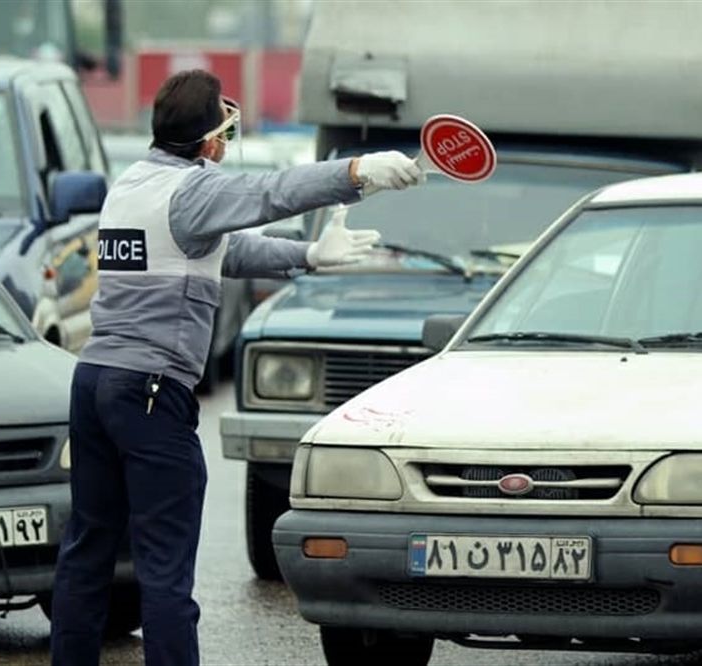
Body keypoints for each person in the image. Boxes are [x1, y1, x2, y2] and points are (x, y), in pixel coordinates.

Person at [50, 69, 423, 666]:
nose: (227, 142)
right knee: (165, 570)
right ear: (206, 140)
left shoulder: (134, 184)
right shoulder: (194, 191)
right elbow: (272, 191)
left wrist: (307, 256)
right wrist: (356, 173)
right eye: (222, 131)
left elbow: (225, 249)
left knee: (87, 552)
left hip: (93, 384)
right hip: (151, 391)